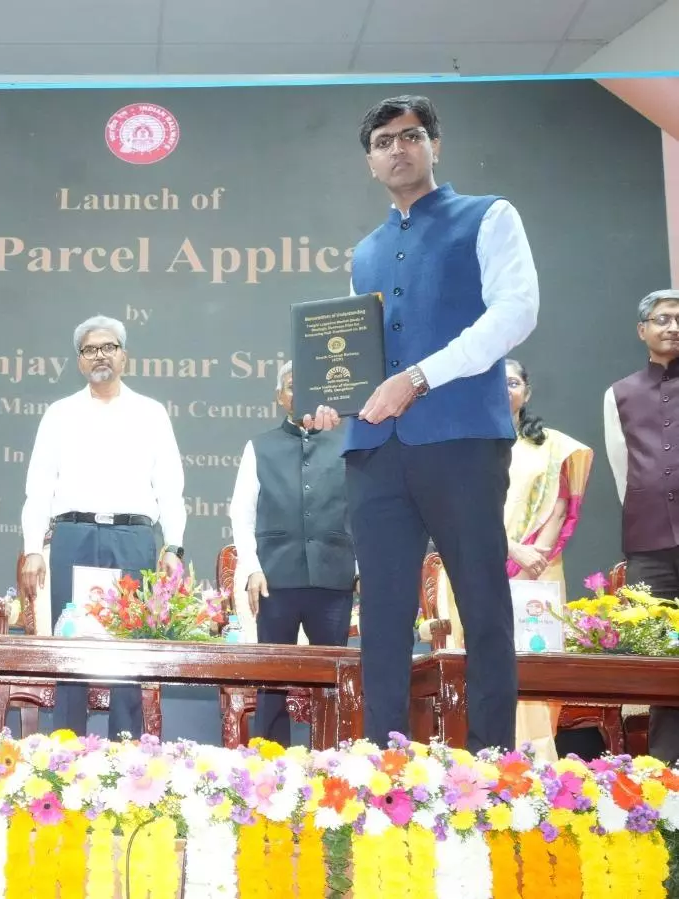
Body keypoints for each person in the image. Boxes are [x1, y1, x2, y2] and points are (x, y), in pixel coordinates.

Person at [303, 95, 539, 752]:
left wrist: (421, 376)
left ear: (435, 145)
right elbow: (360, 360)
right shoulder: (366, 252)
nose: (397, 149)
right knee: (381, 616)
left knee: (482, 606)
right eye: (383, 142)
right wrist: (333, 399)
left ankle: (493, 764)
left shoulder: (489, 216)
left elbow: (517, 311)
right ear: (370, 162)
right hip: (374, 449)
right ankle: (386, 765)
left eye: (410, 136)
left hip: (462, 439)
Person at [18, 315, 185, 738]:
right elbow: (39, 485)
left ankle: (125, 749)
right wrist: (33, 547)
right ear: (80, 361)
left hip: (133, 538)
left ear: (124, 356)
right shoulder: (59, 414)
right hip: (74, 536)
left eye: (108, 347)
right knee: (71, 649)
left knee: (128, 652)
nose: (100, 356)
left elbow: (170, 485)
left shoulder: (151, 412)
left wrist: (174, 546)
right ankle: (66, 746)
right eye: (90, 350)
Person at [430, 359, 593, 761]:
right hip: (474, 563)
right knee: (480, 657)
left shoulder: (550, 446)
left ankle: (537, 760)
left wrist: (533, 557)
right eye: (496, 382)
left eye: (514, 383)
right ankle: (480, 757)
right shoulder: (461, 442)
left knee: (532, 657)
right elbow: (457, 508)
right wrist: (510, 549)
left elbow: (559, 505)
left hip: (538, 569)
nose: (505, 390)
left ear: (527, 391)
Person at [227, 360, 356, 746]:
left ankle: (333, 758)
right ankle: (270, 759)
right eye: (290, 386)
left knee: (333, 679)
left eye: (307, 385)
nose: (298, 393)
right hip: (275, 578)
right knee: (272, 679)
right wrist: (252, 568)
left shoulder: (347, 442)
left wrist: (361, 567)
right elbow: (241, 513)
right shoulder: (260, 446)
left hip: (333, 576)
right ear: (279, 397)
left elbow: (362, 510)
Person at [603, 288, 679, 765]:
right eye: (663, 319)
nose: (673, 327)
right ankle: (667, 767)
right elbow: (622, 471)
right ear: (642, 330)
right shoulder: (620, 393)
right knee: (659, 657)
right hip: (649, 543)